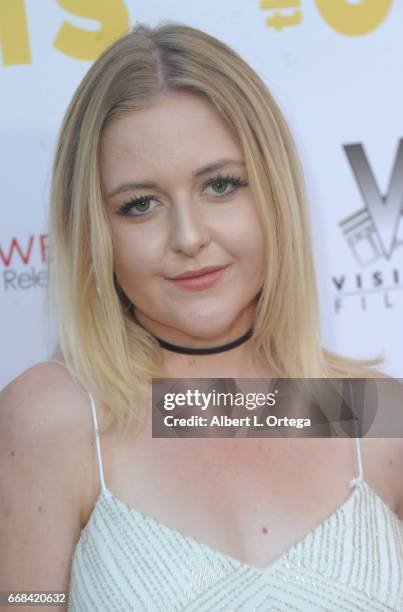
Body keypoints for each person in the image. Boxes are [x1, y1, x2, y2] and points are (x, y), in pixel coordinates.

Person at [1, 21, 402, 612]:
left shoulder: (374, 417)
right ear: (96, 232)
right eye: (140, 205)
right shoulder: (53, 421)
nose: (188, 237)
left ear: (274, 191)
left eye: (220, 185)